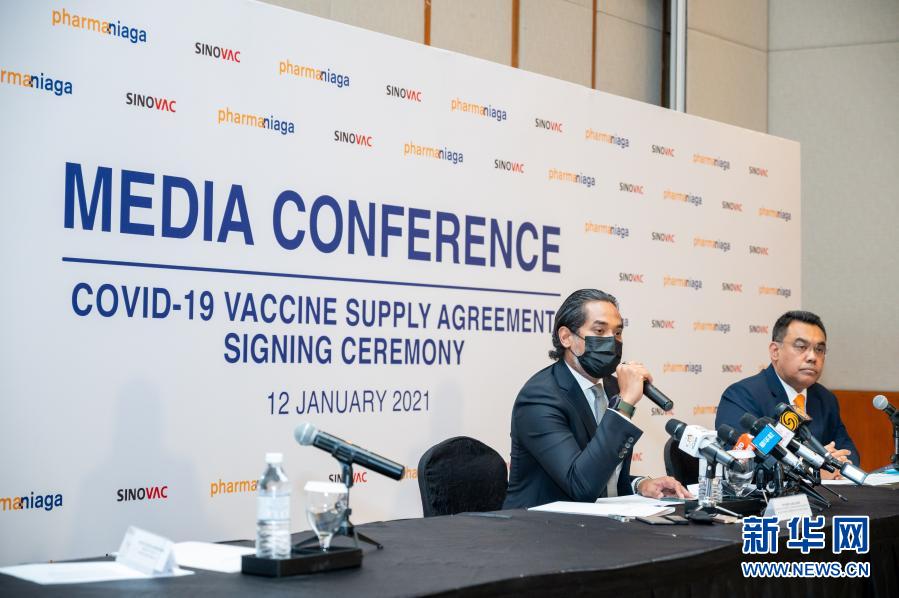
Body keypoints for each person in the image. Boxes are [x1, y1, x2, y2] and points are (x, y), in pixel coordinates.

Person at [503, 289, 689, 509]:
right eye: (599, 331)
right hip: (543, 525)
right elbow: (580, 484)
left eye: (617, 333)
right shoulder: (540, 397)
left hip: (598, 520)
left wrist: (641, 484)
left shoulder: (612, 387)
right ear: (566, 337)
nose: (611, 340)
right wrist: (624, 403)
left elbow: (603, 474)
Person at [715, 310, 860, 475]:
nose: (812, 357)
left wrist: (841, 463)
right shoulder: (742, 395)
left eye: (819, 349)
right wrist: (812, 470)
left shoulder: (825, 399)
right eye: (801, 347)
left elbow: (849, 451)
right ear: (775, 351)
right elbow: (743, 463)